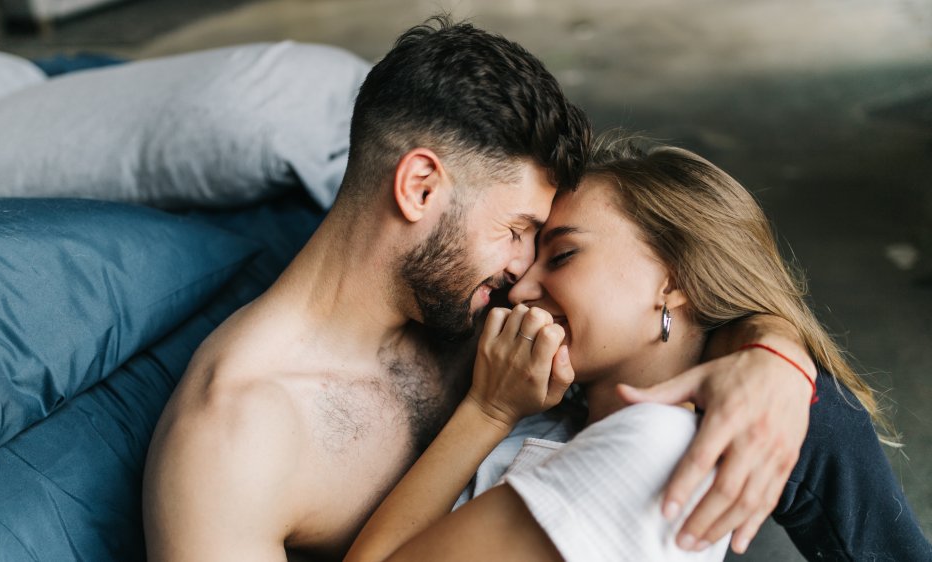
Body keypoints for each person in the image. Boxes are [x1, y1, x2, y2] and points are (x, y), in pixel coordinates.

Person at [143, 18, 820, 561]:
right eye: (520, 228)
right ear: (421, 188)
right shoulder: (233, 437)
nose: (524, 273)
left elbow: (699, 292)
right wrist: (487, 411)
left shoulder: (479, 306)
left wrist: (780, 359)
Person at [344, 137, 931, 561]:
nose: (518, 287)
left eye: (564, 254)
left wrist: (487, 411)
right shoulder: (557, 405)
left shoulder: (649, 450)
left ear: (674, 278)